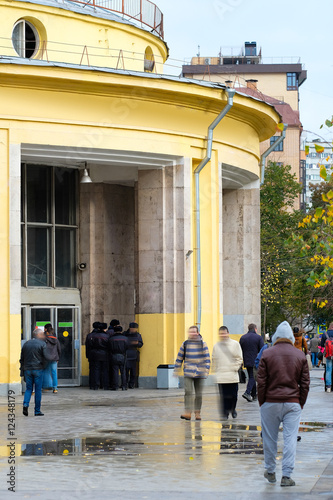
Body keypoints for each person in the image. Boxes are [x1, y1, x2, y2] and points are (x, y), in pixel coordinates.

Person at [257, 321, 310, 487]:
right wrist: (299, 402)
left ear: (275, 337)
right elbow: (305, 383)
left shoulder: (267, 354)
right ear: (290, 338)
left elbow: (261, 382)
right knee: (290, 439)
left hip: (270, 402)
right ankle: (286, 476)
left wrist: (262, 402)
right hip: (292, 403)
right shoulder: (300, 355)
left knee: (269, 438)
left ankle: (270, 471)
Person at [174, 325, 210, 421]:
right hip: (188, 372)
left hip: (200, 372)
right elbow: (179, 357)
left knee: (198, 394)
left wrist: (206, 372)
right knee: (188, 392)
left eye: (194, 332)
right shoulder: (185, 344)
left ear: (197, 333)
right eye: (190, 332)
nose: (192, 334)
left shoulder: (203, 344)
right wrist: (176, 369)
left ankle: (197, 413)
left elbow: (207, 359)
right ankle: (188, 413)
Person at [212, 326, 243, 419]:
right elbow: (214, 359)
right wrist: (215, 369)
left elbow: (239, 358)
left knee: (233, 395)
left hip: (232, 375)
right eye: (221, 333)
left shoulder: (235, 344)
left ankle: (233, 409)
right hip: (221, 375)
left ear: (228, 333)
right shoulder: (216, 346)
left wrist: (234, 367)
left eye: (224, 333)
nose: (223, 335)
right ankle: (225, 413)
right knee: (223, 396)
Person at [20, 329, 47, 417]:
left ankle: (25, 404)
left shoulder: (26, 344)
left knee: (28, 389)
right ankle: (37, 411)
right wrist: (44, 366)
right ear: (38, 335)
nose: (43, 336)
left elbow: (22, 358)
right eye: (42, 334)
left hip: (27, 369)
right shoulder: (42, 344)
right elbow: (45, 357)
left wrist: (22, 370)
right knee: (38, 390)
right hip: (38, 369)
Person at [239, 323, 264, 402]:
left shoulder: (243, 338)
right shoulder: (258, 337)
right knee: (253, 377)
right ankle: (247, 392)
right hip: (255, 361)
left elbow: (239, 350)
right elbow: (262, 350)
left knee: (251, 376)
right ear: (255, 329)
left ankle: (253, 394)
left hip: (246, 360)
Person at [85, 322, 110, 390]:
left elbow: (88, 346)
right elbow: (109, 346)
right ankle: (105, 385)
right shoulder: (107, 336)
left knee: (96, 370)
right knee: (104, 370)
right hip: (104, 354)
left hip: (94, 354)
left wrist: (88, 355)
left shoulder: (92, 336)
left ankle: (96, 385)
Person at [108, 325, 129, 390]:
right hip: (122, 356)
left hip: (114, 355)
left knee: (115, 372)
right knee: (123, 372)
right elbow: (127, 347)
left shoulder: (111, 339)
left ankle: (115, 386)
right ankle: (124, 386)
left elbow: (109, 348)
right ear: (121, 330)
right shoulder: (125, 338)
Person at [125, 322, 143, 388]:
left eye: (135, 329)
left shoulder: (138, 335)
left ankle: (131, 384)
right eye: (132, 328)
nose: (133, 330)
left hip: (134, 355)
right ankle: (125, 383)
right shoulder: (125, 334)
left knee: (133, 371)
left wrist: (137, 343)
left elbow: (141, 344)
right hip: (126, 355)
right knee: (126, 371)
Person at [43, 327, 61, 393]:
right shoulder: (56, 340)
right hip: (54, 358)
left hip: (46, 358)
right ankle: (55, 388)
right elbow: (59, 349)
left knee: (45, 371)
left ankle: (46, 386)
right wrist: (58, 357)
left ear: (47, 332)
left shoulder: (44, 339)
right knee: (54, 373)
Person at [323, 324, 333, 392]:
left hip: (328, 355)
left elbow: (321, 345)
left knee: (328, 370)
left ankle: (328, 387)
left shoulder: (325, 334)